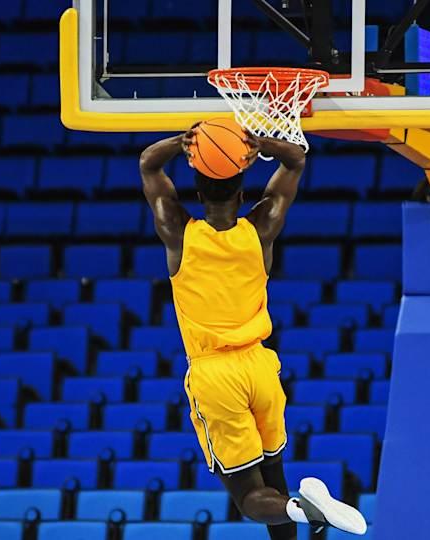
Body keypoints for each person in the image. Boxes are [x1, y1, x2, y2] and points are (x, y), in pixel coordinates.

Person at [139, 127, 367, 538]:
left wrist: (182, 143)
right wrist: (261, 146)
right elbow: (296, 159)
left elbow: (148, 165)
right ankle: (302, 507)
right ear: (243, 196)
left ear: (197, 193)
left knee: (250, 498)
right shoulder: (260, 229)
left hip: (215, 373)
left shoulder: (177, 233)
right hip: (260, 366)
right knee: (275, 479)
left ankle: (305, 509)